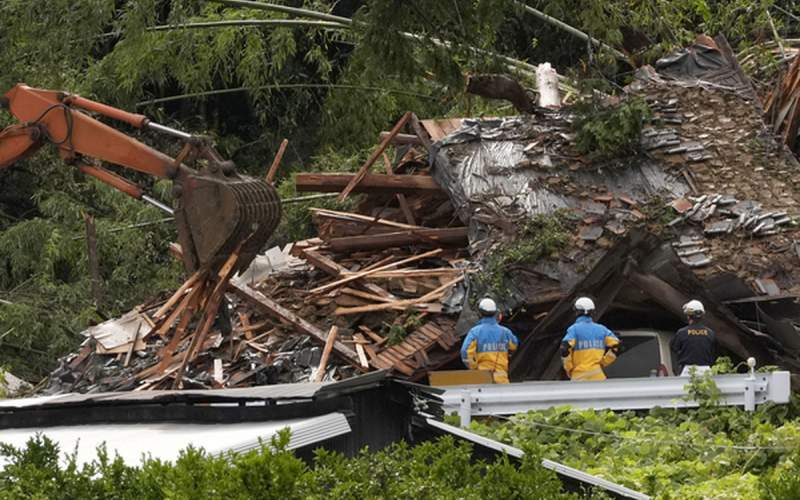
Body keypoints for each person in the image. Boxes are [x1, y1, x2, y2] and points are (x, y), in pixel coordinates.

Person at [560, 297, 621, 381]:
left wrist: (569, 368)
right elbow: (617, 346)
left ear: (577, 312)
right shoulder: (602, 329)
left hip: (579, 376)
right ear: (592, 312)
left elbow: (564, 348)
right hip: (597, 375)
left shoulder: (574, 329)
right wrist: (604, 362)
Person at [460, 298, 519, 384]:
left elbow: (465, 352)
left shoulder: (475, 332)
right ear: (495, 313)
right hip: (502, 380)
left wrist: (474, 367)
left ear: (480, 313)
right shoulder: (505, 332)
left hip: (482, 380)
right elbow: (514, 345)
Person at [671, 300, 716, 376]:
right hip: (706, 371)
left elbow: (674, 349)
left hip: (688, 372)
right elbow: (714, 352)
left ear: (688, 316)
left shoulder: (682, 333)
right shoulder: (711, 333)